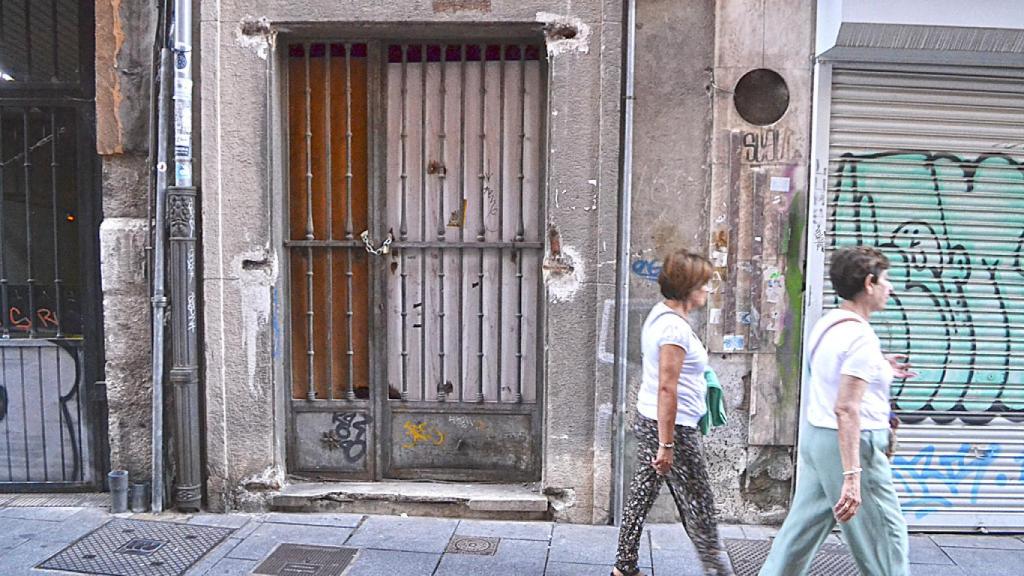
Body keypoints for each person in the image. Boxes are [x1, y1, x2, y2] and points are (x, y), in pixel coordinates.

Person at [759, 246, 914, 576]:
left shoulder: (830, 323)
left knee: (798, 537)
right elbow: (846, 408)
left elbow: (834, 370)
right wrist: (853, 476)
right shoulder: (860, 338)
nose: (892, 287)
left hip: (819, 439)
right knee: (886, 537)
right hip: (852, 444)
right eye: (886, 279)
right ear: (869, 283)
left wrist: (880, 366)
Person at [612, 249, 734, 576]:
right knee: (700, 504)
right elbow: (668, 387)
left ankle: (624, 567)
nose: (709, 290)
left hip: (654, 420)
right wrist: (667, 445)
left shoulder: (660, 314)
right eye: (704, 284)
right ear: (688, 287)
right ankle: (718, 570)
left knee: (643, 493)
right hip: (672, 428)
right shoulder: (674, 330)